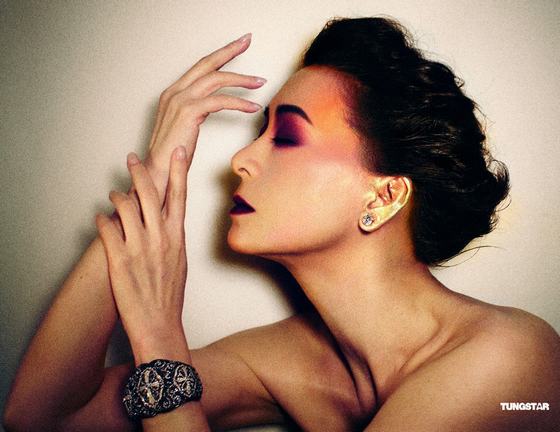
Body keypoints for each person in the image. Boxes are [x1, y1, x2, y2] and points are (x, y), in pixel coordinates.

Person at [3, 16, 560, 432]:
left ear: (385, 194)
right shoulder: (286, 361)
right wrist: (159, 171)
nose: (239, 160)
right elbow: (42, 418)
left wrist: (158, 341)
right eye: (258, 133)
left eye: (287, 136)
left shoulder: (511, 362)